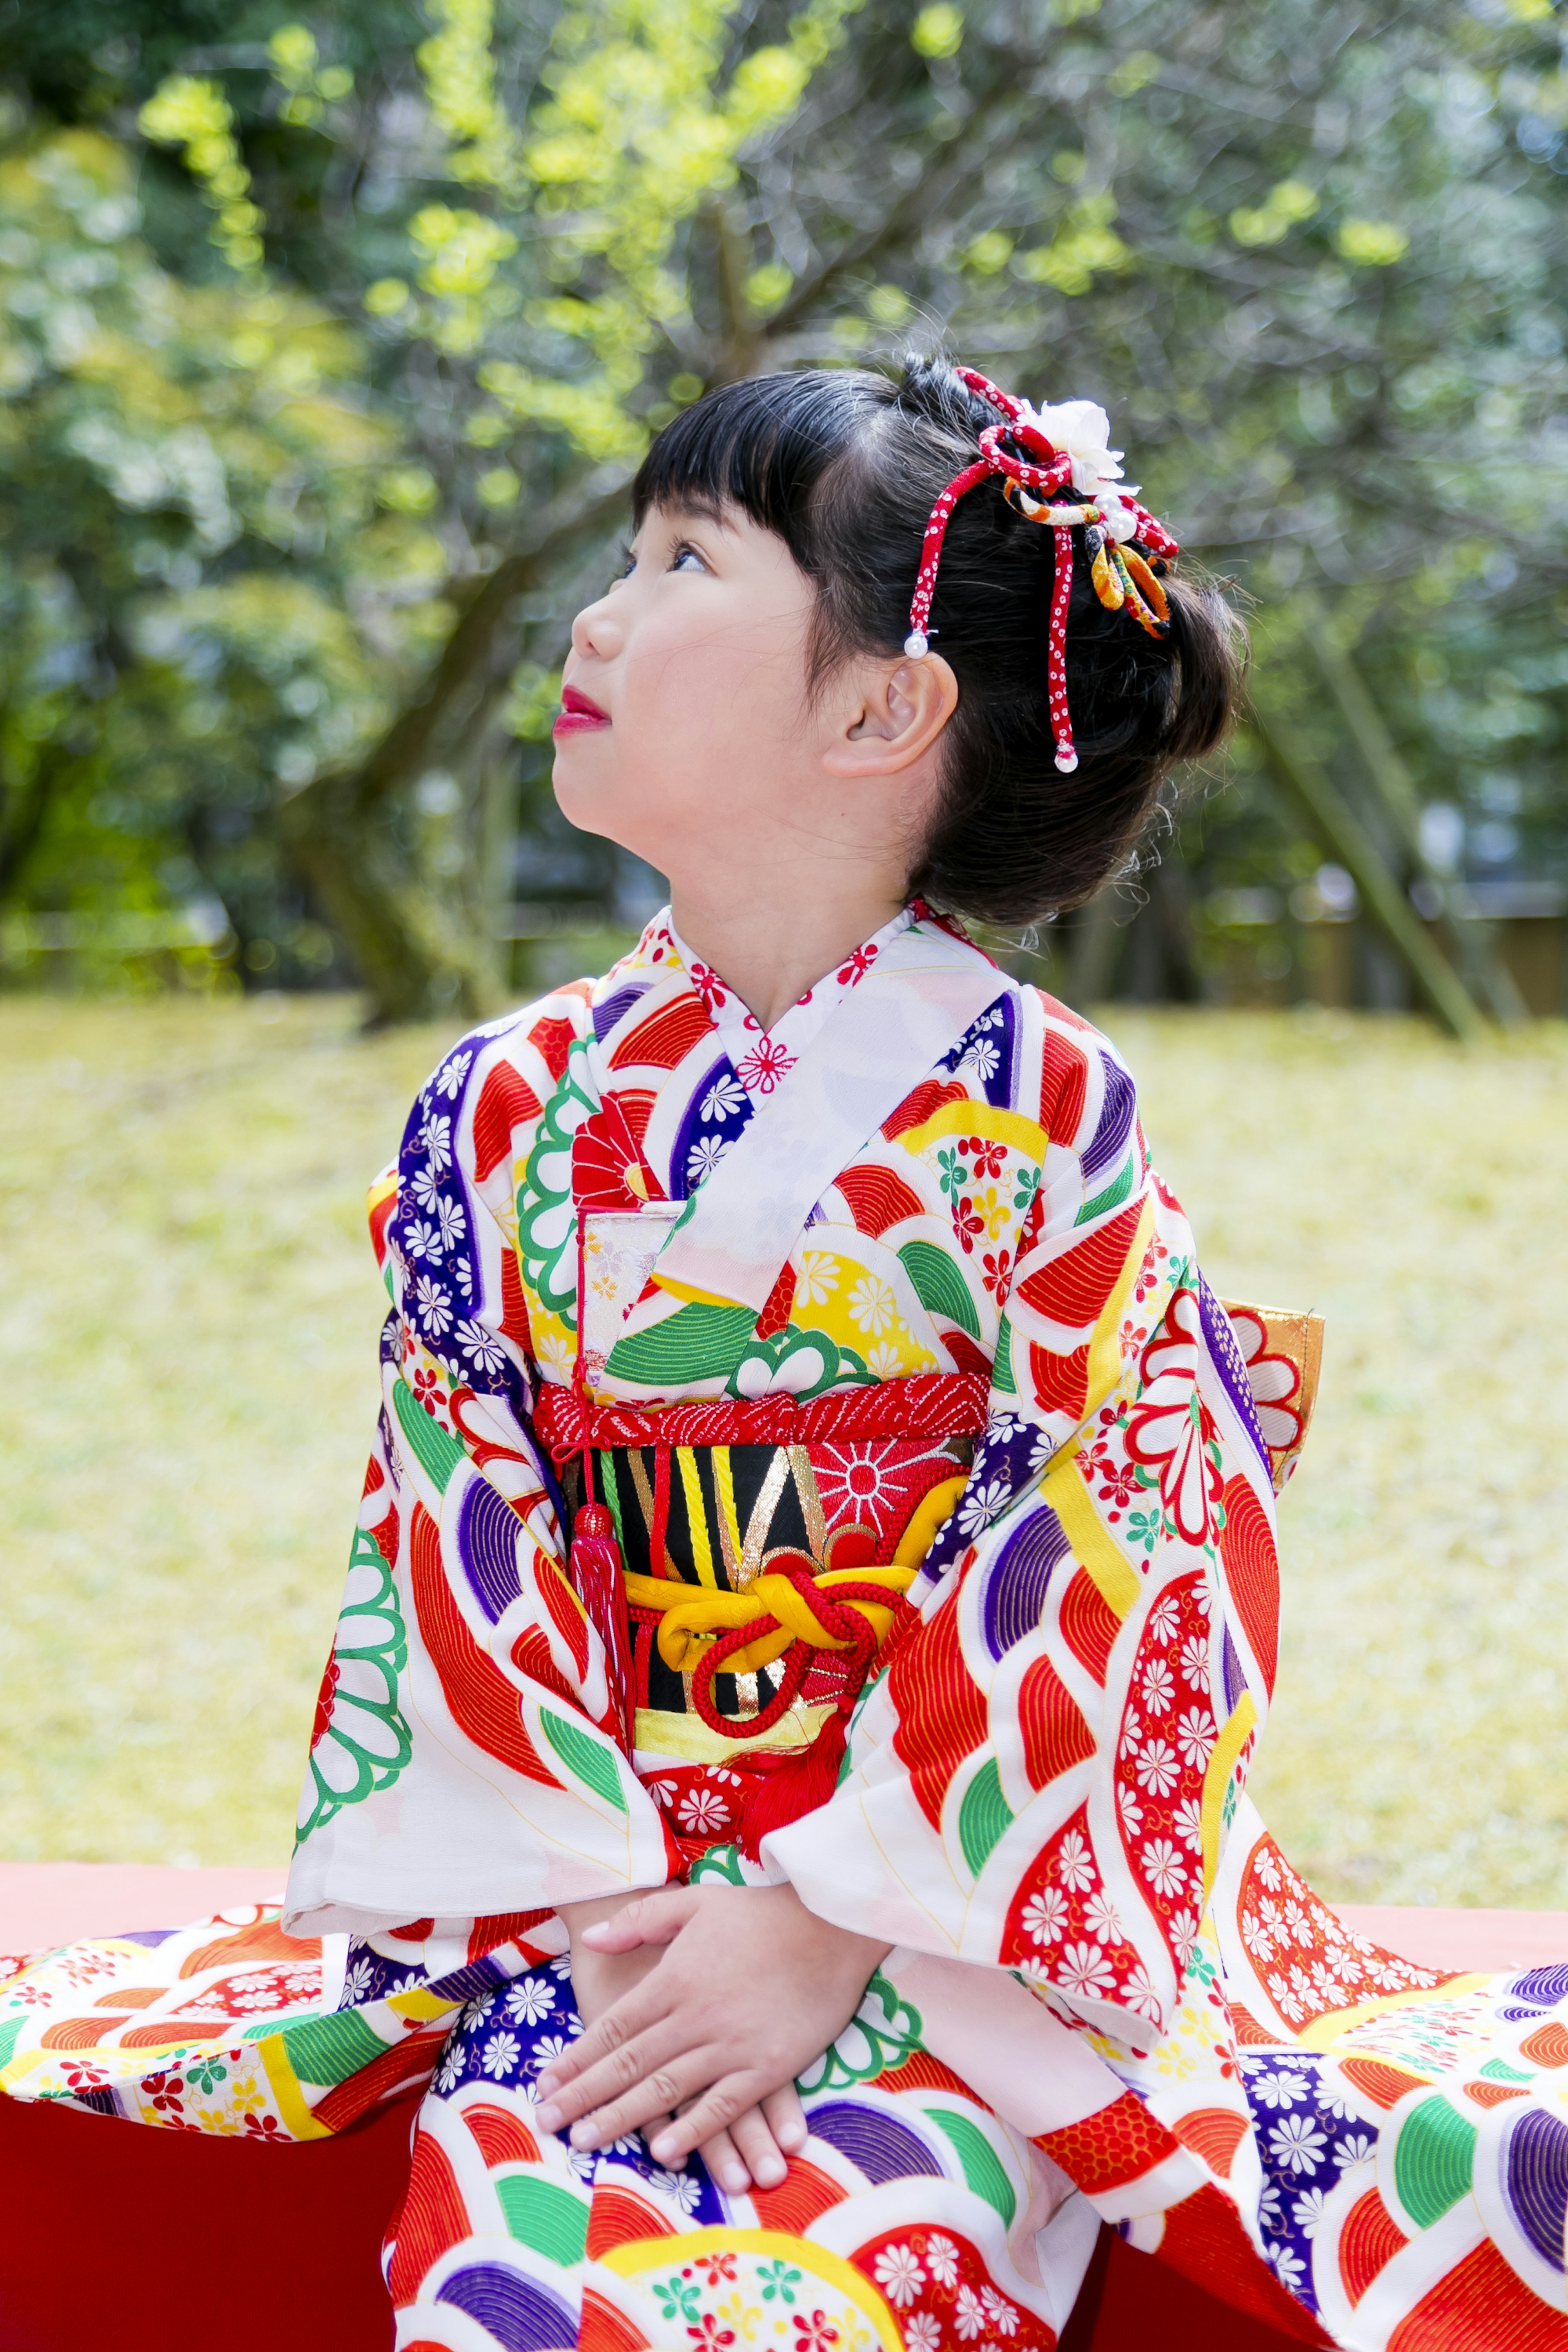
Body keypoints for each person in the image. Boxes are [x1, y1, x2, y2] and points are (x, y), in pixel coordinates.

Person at [5, 359, 1567, 2352]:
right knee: (525, 2274)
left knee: (922, 2252)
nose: (598, 611)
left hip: (951, 1890)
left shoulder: (1038, 1109)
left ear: (879, 707)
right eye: (623, 554)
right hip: (606, 1889)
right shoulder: (501, 1105)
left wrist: (830, 1909)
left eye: (680, 559)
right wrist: (630, 1910)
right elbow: (457, 1540)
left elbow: (1124, 1526)